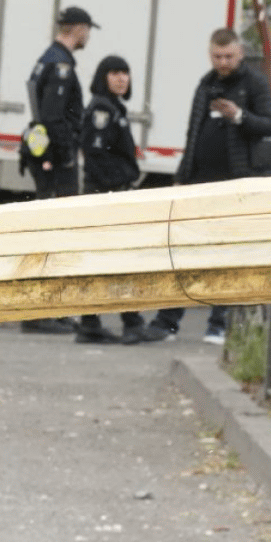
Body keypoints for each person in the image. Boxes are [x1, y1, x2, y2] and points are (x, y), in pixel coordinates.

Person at [148, 27, 271, 344]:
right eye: (217, 56)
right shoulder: (206, 84)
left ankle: (220, 324)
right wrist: (182, 175)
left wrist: (239, 116)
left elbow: (269, 125)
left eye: (228, 56)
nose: (223, 62)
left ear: (241, 53)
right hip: (198, 181)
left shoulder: (254, 84)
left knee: (227, 256)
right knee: (183, 253)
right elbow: (192, 134)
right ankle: (168, 322)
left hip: (237, 184)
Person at [73, 55, 170, 345]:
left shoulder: (114, 107)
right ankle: (129, 323)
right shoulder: (103, 109)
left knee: (106, 261)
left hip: (108, 193)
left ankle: (93, 323)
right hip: (106, 195)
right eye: (114, 73)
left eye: (125, 73)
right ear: (103, 77)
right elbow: (96, 154)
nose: (121, 78)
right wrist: (118, 184)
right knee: (119, 260)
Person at [19, 6, 96, 335]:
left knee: (50, 231)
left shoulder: (48, 58)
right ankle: (39, 314)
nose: (88, 36)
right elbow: (53, 118)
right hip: (54, 160)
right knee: (53, 233)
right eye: (87, 30)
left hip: (42, 154)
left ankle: (50, 309)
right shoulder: (61, 65)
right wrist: (65, 156)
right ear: (77, 29)